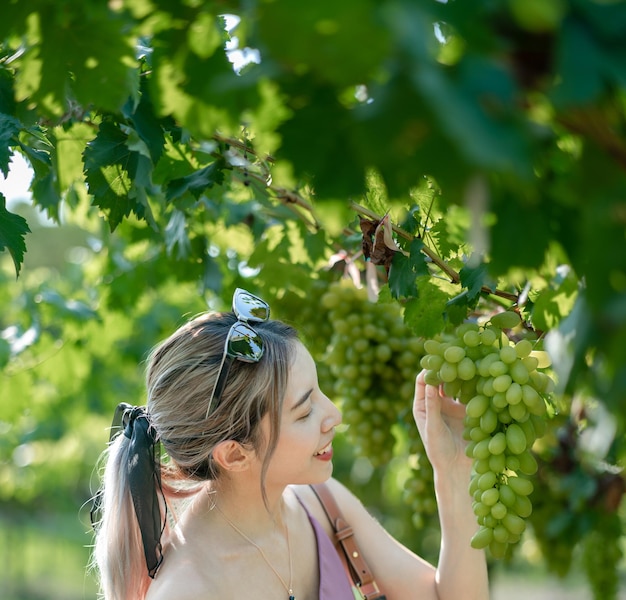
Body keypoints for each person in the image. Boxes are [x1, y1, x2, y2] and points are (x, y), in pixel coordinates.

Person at [90, 288, 489, 600]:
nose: (334, 415)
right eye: (305, 411)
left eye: (319, 392)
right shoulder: (189, 591)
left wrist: (453, 471)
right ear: (233, 453)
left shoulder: (322, 503)